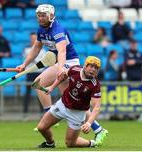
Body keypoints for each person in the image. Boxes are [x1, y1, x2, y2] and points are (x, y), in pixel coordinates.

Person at [16, 4, 107, 143]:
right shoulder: (41, 29)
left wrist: (61, 69)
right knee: (73, 102)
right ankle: (99, 130)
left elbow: (62, 51)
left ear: (51, 16)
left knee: (39, 83)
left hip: (69, 63)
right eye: (39, 15)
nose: (41, 18)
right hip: (60, 63)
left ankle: (49, 114)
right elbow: (36, 47)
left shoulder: (57, 29)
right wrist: (24, 64)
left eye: (44, 15)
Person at [36, 56, 104, 148]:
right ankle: (50, 143)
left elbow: (97, 107)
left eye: (96, 68)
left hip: (77, 113)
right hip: (62, 105)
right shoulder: (74, 69)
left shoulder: (95, 85)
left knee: (70, 143)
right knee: (41, 128)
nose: (93, 70)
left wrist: (88, 123)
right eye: (91, 66)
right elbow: (62, 77)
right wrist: (52, 87)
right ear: (85, 66)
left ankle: (92, 143)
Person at [23, 32, 45, 113]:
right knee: (27, 93)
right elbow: (26, 60)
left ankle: (43, 111)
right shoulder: (26, 49)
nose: (33, 40)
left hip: (39, 73)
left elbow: (43, 62)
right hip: (30, 73)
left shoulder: (43, 50)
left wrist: (33, 59)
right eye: (32, 38)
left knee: (40, 92)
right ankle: (25, 112)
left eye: (34, 38)